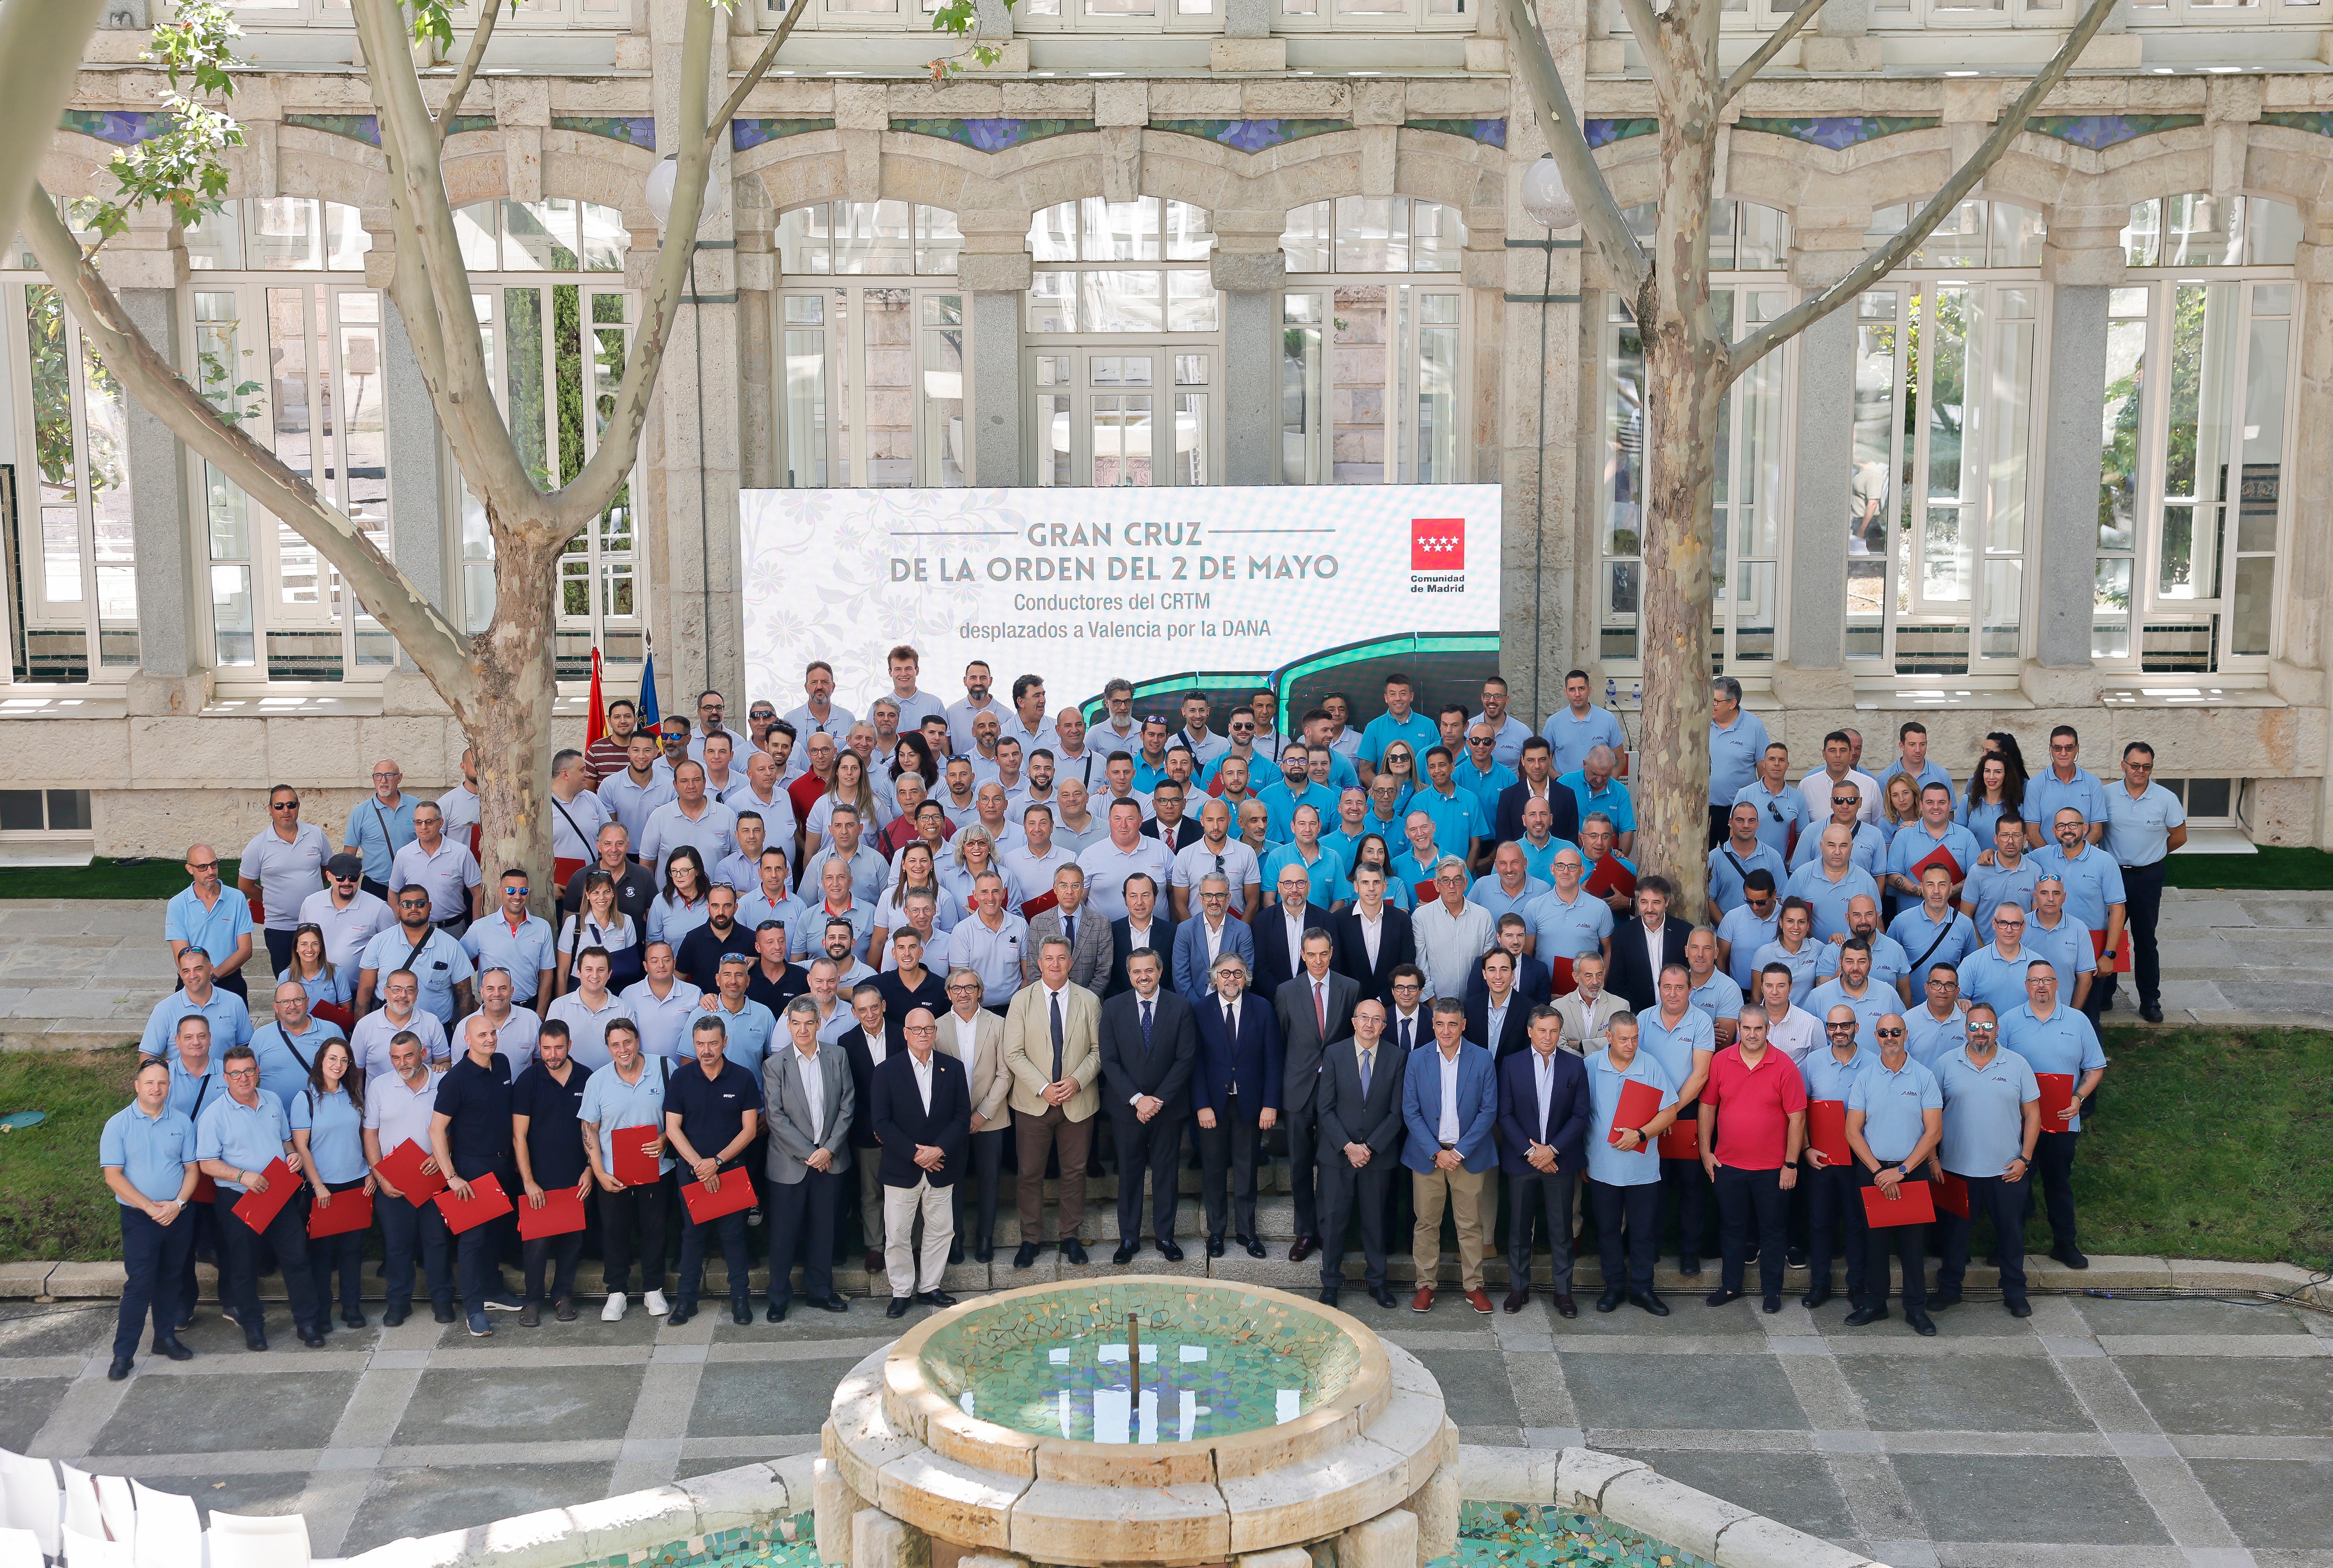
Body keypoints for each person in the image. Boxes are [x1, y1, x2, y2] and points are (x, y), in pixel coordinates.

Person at [197, 1044, 326, 1350]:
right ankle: (253, 1327)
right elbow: (207, 1163)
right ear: (226, 1078)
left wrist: (293, 1156)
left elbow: (285, 1141)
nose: (243, 1078)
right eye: (236, 1074)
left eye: (249, 1071)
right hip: (239, 1197)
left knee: (296, 1258)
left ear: (258, 1072)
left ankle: (307, 1323)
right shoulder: (214, 1115)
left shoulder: (272, 1101)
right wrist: (243, 1176)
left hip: (278, 1193)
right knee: (243, 1265)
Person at [1996, 960, 2107, 1270]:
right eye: (2034, 981)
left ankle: (2065, 1244)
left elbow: (2095, 1067)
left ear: (2057, 984)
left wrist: (2078, 1098)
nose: (2041, 986)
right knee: (2016, 1185)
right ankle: (2007, 1246)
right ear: (2026, 986)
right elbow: (1996, 1066)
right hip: (2019, 1123)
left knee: (2058, 1184)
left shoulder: (2077, 1021)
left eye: (2047, 980)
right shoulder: (2009, 1021)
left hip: (2062, 1119)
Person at [1697, 1005, 1807, 1314]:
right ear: (1739, 1029)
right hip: (1728, 1165)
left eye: (1758, 1028)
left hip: (1772, 1169)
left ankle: (1772, 1291)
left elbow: (1797, 1118)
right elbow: (1708, 1107)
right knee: (1732, 1228)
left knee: (1773, 1231)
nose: (1752, 1034)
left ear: (1768, 1030)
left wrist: (1790, 1164)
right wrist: (1705, 1152)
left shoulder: (1784, 1066)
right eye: (1746, 1028)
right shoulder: (1721, 1061)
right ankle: (1731, 1286)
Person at [1933, 1004, 2041, 1318]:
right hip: (1956, 1169)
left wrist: (2025, 1159)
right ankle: (1949, 1290)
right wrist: (1932, 1159)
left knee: (2011, 1236)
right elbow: (1929, 1114)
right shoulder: (1945, 1064)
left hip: (2006, 1170)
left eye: (1988, 1026)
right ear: (1965, 1029)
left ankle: (2015, 1293)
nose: (1980, 1032)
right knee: (1953, 1238)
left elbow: (2033, 1114)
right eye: (1974, 1026)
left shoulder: (2018, 1064)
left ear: (1997, 1029)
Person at [1002, 937, 1102, 1266]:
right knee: (1029, 1173)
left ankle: (1070, 1237)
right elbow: (1013, 1053)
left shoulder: (1089, 1000)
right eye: (1049, 958)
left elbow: (1098, 1051)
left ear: (1071, 963)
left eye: (1061, 958)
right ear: (1039, 963)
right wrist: (1043, 1087)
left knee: (1074, 1172)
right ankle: (1030, 1239)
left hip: (1078, 1101)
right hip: (1034, 1102)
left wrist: (1076, 1081)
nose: (1055, 964)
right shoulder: (1021, 1000)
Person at [1843, 1014, 1944, 1334]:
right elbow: (1852, 1131)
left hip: (1910, 1171)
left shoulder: (1924, 1077)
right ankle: (1876, 1303)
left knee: (1913, 1246)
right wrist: (1879, 1172)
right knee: (1874, 1244)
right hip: (1873, 1170)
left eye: (1896, 1032)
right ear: (1876, 1037)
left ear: (1905, 1034)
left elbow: (1934, 1132)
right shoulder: (1864, 1078)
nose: (1890, 1037)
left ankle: (1915, 1309)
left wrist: (1900, 1171)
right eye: (1884, 1032)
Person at [100, 1058, 200, 1380]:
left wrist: (178, 1204)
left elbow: (192, 1169)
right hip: (140, 1218)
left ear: (169, 1087)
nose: (156, 1088)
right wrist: (149, 1208)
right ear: (137, 1086)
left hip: (177, 1215)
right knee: (140, 1284)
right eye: (150, 1083)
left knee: (172, 1278)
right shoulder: (118, 1125)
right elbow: (113, 1177)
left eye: (162, 1083)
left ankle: (164, 1338)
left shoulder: (182, 1122)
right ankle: (123, 1354)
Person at [1096, 946, 1195, 1264]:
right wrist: (1138, 1100)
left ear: (1160, 972)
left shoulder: (1180, 1007)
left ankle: (1166, 1237)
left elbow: (1185, 1059)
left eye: (1149, 970)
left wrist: (1157, 1101)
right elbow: (1109, 1060)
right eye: (1137, 971)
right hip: (1127, 1109)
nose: (1144, 976)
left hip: (1168, 1108)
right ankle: (1129, 1239)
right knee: (1129, 1174)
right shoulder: (1113, 1007)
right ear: (1129, 975)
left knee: (1166, 1173)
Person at [663, 1015, 763, 1326]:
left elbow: (750, 1130)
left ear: (725, 1042)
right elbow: (672, 1128)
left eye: (712, 1043)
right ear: (693, 1045)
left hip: (731, 1170)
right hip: (692, 1171)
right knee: (692, 1236)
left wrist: (717, 1162)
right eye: (700, 1044)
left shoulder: (743, 1077)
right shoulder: (681, 1078)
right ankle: (686, 1301)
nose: (706, 1050)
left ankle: (740, 1299)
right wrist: (700, 1165)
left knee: (734, 1236)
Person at [762, 996, 855, 1321]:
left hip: (831, 1159)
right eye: (796, 1024)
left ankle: (820, 1292)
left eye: (809, 1023)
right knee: (784, 1234)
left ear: (818, 1024)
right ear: (788, 1026)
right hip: (790, 1163)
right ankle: (778, 1297)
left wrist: (828, 1149)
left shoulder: (837, 1056)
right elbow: (775, 1117)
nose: (803, 1030)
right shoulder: (775, 1065)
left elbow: (847, 1106)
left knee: (824, 1231)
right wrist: (811, 1154)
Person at [872, 1007, 970, 1317]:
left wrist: (938, 1149)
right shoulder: (887, 1071)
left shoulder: (953, 1068)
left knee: (941, 1230)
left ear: (936, 1032)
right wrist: (917, 1154)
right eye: (916, 1029)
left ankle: (930, 1287)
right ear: (905, 1033)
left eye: (928, 1029)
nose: (923, 1034)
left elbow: (961, 1117)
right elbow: (881, 1122)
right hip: (902, 1168)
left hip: (942, 1165)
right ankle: (901, 1291)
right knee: (898, 1234)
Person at [1401, 997, 1496, 1314]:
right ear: (1433, 1025)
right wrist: (1435, 1152)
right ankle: (1425, 1285)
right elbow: (1411, 1111)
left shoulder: (1482, 1059)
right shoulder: (1417, 1059)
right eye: (1440, 1024)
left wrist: (1459, 1152)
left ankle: (1474, 1286)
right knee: (1426, 1223)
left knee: (1470, 1224)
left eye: (1452, 1024)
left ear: (1463, 1025)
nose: (1446, 1031)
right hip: (1427, 1156)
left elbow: (1488, 1111)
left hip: (1468, 1155)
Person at [1497, 1006, 1591, 1316]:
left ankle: (1563, 1294)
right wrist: (1532, 1153)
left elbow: (1580, 1115)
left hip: (1559, 1162)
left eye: (1553, 1031)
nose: (1548, 1037)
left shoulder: (1575, 1065)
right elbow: (1505, 1114)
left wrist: (1552, 1150)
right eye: (1542, 1030)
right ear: (1530, 1032)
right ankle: (1518, 1290)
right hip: (1522, 1161)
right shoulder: (1511, 1064)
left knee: (1562, 1231)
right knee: (1519, 1229)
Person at [430, 1013, 520, 1336]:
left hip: (503, 1165)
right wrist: (451, 1176)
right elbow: (436, 1130)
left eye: (492, 1033)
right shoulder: (455, 1080)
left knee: (496, 1234)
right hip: (471, 1169)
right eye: (482, 1035)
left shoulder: (503, 1064)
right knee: (473, 1240)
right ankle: (474, 1310)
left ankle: (493, 1290)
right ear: (467, 1040)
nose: (490, 1039)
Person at [1274, 929, 1360, 1262]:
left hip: (1336, 1092)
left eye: (1323, 953)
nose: (1318, 960)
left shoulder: (1350, 988)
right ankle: (1305, 1231)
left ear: (1331, 952)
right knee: (1299, 1164)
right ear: (1302, 955)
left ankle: (1327, 1229)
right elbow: (1282, 1041)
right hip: (1298, 1090)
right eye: (1311, 954)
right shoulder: (1286, 991)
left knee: (1330, 1163)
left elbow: (1353, 1039)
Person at [1313, 998, 1405, 1309]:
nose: (1369, 1024)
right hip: (1337, 1155)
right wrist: (1349, 1146)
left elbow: (1396, 1113)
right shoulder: (1335, 1053)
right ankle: (1330, 1284)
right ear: (1354, 1022)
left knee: (1375, 1223)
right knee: (1333, 1221)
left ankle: (1377, 1284)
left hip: (1377, 1156)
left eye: (1376, 1019)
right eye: (1364, 1018)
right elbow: (1325, 1109)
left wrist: (1369, 1147)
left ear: (1384, 1026)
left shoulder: (1397, 1057)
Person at [579, 1018, 673, 1320]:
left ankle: (653, 1289)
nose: (623, 1049)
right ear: (608, 1048)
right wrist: (599, 1172)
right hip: (613, 1172)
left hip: (657, 1168)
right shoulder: (597, 1081)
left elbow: (682, 1115)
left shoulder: (665, 1068)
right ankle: (616, 1292)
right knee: (614, 1232)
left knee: (655, 1230)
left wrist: (665, 1138)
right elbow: (589, 1129)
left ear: (638, 1041)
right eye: (616, 1045)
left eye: (628, 1042)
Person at [361, 1030, 454, 1325]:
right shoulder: (379, 1086)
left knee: (437, 1242)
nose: (402, 1063)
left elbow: (456, 1128)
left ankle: (442, 1301)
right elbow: (370, 1133)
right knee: (396, 1245)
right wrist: (380, 1177)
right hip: (393, 1181)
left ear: (423, 1054)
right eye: (396, 1058)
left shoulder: (443, 1083)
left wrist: (440, 1156)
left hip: (434, 1178)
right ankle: (399, 1303)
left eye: (408, 1056)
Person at [511, 1019, 593, 1325]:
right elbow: (519, 1136)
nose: (552, 1054)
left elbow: (592, 1130)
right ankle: (532, 1300)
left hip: (576, 1175)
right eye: (546, 1048)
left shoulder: (587, 1078)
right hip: (538, 1177)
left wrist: (590, 1169)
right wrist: (528, 1181)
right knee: (536, 1242)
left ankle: (563, 1295)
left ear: (569, 1045)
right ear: (540, 1047)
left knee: (572, 1239)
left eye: (559, 1048)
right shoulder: (528, 1080)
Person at [290, 1037, 370, 1331]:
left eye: (344, 1060)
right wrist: (318, 1185)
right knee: (321, 1254)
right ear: (321, 1060)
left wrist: (371, 1171)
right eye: (333, 1059)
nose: (338, 1065)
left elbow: (364, 1136)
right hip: (323, 1188)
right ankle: (322, 1310)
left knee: (352, 1250)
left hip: (356, 1182)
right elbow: (301, 1146)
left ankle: (351, 1307)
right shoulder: (305, 1099)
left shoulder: (354, 1095)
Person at [1798, 1007, 1872, 1312]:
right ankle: (1819, 1284)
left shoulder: (1873, 1062)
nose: (1838, 1031)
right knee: (1819, 1222)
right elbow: (1799, 1109)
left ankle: (1857, 1285)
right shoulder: (1812, 1062)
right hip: (1822, 1156)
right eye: (1832, 1026)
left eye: (1845, 1025)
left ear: (1856, 1027)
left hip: (1860, 1157)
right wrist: (1806, 1148)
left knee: (1857, 1222)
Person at [2036, 804, 2130, 1031]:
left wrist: (2109, 954)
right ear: (2054, 831)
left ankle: (2089, 1054)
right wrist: (1989, 854)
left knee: (2088, 1017)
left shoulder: (2104, 862)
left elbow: (2118, 910)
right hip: (2051, 947)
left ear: (2085, 828)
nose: (2067, 830)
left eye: (2073, 825)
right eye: (2061, 826)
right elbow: (2012, 861)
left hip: (2090, 949)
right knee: (2045, 1009)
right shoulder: (2041, 857)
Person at [240, 786, 332, 976]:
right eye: (279, 806)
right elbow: (245, 886)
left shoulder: (316, 835)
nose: (286, 810)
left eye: (291, 805)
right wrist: (271, 899)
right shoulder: (257, 846)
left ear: (298, 806)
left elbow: (328, 871)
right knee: (287, 982)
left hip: (316, 923)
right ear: (270, 809)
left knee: (320, 978)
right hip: (279, 927)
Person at [837, 986, 897, 1272]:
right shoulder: (846, 1043)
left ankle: (910, 1245)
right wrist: (876, 1126)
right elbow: (849, 1093)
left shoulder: (903, 1034)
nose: (869, 1014)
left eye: (874, 1007)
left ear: (884, 1006)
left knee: (906, 1191)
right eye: (862, 1010)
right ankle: (875, 1246)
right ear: (854, 1013)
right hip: (866, 1131)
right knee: (871, 1192)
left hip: (904, 1130)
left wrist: (894, 1126)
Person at [356, 887, 476, 1025]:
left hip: (437, 1029)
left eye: (420, 904)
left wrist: (463, 1033)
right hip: (387, 1028)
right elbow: (365, 992)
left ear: (430, 907)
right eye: (407, 904)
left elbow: (465, 995)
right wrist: (361, 1031)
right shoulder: (379, 942)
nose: (414, 908)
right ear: (398, 909)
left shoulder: (451, 946)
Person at [165, 844, 254, 1001]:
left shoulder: (237, 899)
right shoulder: (177, 904)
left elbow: (246, 950)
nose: (211, 871)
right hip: (192, 982)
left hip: (230, 981)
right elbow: (182, 956)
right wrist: (202, 979)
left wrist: (214, 976)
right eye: (203, 867)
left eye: (214, 864)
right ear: (190, 869)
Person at [466, 867, 556, 1014]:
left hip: (529, 1008)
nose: (517, 896)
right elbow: (458, 965)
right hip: (492, 1008)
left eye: (523, 891)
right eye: (511, 891)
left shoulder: (542, 927)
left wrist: (540, 1015)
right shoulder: (480, 928)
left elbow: (546, 974)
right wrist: (471, 1002)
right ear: (500, 893)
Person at [388, 801, 483, 936]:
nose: (423, 827)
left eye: (429, 822)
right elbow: (393, 892)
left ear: (441, 823)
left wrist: (476, 927)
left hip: (453, 929)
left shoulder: (461, 852)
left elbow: (478, 892)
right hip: (416, 930)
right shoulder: (404, 855)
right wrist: (400, 921)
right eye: (418, 822)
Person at [1413, 857, 1495, 1003]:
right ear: (1437, 885)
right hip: (1433, 1005)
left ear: (1466, 883)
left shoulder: (1483, 917)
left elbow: (1489, 966)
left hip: (1475, 1004)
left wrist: (1476, 1006)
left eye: (1457, 880)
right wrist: (1434, 1006)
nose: (1451, 886)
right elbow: (1421, 966)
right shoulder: (1421, 917)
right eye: (1445, 880)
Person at [1606, 875, 1692, 1015]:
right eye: (1644, 902)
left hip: (1679, 1014)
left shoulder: (1685, 932)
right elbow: (1617, 984)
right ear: (1638, 902)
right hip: (1637, 1015)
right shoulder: (1623, 935)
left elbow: (1692, 976)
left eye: (1656, 903)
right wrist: (1635, 1015)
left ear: (1667, 902)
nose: (1650, 909)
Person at [1333, 865, 1417, 1006]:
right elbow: (1336, 968)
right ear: (1356, 887)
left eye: (1376, 882)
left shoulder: (1402, 921)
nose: (1371, 888)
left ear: (1384, 886)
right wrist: (1356, 1002)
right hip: (1350, 1005)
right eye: (1365, 883)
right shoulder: (1339, 920)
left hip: (1390, 1005)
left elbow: (1407, 967)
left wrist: (1382, 1001)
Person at [1786, 826, 1884, 945]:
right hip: (1809, 953)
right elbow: (1786, 919)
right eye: (1832, 845)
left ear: (1852, 848)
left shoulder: (1867, 881)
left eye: (1843, 846)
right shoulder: (1801, 876)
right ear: (1821, 847)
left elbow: (1878, 927)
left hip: (1853, 954)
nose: (1837, 852)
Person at [1173, 873, 1256, 1004]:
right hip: (1194, 1006)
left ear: (1228, 898)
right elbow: (1181, 977)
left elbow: (1245, 974)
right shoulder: (1185, 930)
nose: (1214, 901)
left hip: (1231, 1003)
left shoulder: (1242, 930)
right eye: (1208, 895)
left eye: (1220, 895)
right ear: (1200, 898)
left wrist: (1226, 1004)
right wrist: (1198, 1008)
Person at [1707, 677, 1771, 846]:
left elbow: (1764, 769)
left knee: (1737, 856)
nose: (1711, 705)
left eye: (1716, 701)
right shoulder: (1701, 722)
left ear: (1732, 703)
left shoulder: (1754, 726)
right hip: (1702, 809)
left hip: (1738, 813)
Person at [343, 759, 417, 900]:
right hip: (375, 887)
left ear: (399, 778)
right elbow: (349, 854)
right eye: (378, 776)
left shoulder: (416, 806)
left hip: (412, 885)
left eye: (389, 775)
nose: (383, 781)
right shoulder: (361, 813)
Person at [1891, 863, 1978, 981]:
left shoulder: (1965, 925)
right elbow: (1891, 963)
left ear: (1950, 888)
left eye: (1942, 885)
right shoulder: (1901, 922)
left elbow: (1971, 969)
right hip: (1909, 994)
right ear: (1922, 888)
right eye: (1930, 885)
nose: (1936, 891)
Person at [2027, 725, 2108, 850]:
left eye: (2069, 748)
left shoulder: (2093, 783)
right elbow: (2032, 833)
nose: (2063, 753)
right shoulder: (2035, 785)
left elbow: (2097, 831)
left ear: (2077, 749)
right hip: (2044, 860)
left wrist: (2076, 855)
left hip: (2082, 859)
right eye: (2058, 748)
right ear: (2051, 749)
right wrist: (2052, 858)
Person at [1806, 937, 1893, 1050]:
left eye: (1862, 962)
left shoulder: (1888, 993)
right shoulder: (1818, 996)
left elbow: (1901, 1034)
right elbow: (1806, 1039)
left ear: (1871, 963)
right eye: (1849, 962)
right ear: (1840, 962)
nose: (1855, 968)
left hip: (1877, 1062)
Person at [1496, 737, 1582, 848]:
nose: (1537, 766)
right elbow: (1503, 844)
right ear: (1523, 761)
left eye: (1542, 760)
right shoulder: (1508, 797)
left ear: (1550, 759)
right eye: (1531, 760)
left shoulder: (1567, 796)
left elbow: (1572, 843)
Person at [1733, 743, 1811, 865]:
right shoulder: (1745, 794)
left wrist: (1790, 864)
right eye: (1772, 759)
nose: (1777, 764)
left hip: (1781, 866)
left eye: (1782, 760)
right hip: (1748, 865)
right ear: (1764, 763)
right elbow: (1734, 832)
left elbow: (1802, 838)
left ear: (1788, 765)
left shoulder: (1799, 798)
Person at [1708, 802, 1786, 917]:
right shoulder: (1714, 858)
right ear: (1731, 822)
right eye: (1740, 820)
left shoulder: (1773, 857)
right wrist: (1726, 926)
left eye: (1751, 821)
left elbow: (1780, 898)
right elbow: (1709, 900)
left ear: (1758, 824)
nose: (1746, 825)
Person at [1798, 731, 1881, 834]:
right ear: (1824, 754)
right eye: (1832, 751)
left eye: (1843, 751)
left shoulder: (1870, 785)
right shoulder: (1807, 786)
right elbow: (1801, 830)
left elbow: (1879, 826)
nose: (1838, 755)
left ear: (1850, 754)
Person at [1715, 871, 1780, 995]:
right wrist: (1725, 990)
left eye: (1761, 903)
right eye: (1749, 901)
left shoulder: (1787, 918)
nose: (1755, 907)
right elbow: (1720, 958)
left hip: (1776, 994)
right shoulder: (1733, 917)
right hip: (1739, 992)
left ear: (1774, 895)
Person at [1464, 948, 1533, 1063]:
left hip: (1512, 1074)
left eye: (1504, 970)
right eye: (1492, 970)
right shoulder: (1469, 1008)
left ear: (1512, 973)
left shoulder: (1530, 1010)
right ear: (1484, 974)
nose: (1498, 976)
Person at [1905, 964, 1968, 1068]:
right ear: (1926, 988)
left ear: (1957, 992)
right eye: (1936, 984)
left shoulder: (1968, 1020)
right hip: (1920, 1079)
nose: (1942, 991)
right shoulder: (1908, 1020)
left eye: (1949, 985)